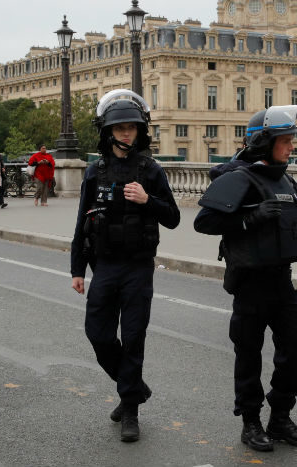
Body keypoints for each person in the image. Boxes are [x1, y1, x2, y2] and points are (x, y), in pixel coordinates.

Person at [194, 105, 297, 452]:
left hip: (282, 281)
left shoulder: (287, 179)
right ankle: (251, 422)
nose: (292, 146)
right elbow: (204, 223)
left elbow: (296, 213)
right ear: (264, 142)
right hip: (250, 283)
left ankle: (280, 419)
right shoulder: (239, 178)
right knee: (249, 355)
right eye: (285, 140)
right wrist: (249, 220)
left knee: (294, 352)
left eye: (292, 139)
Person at [69, 90, 180, 443]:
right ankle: (134, 388)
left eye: (131, 127)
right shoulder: (95, 172)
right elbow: (81, 223)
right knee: (98, 334)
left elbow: (174, 218)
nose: (126, 133)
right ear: (108, 132)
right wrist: (77, 269)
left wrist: (148, 201)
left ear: (140, 130)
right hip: (104, 266)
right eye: (120, 128)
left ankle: (129, 409)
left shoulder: (151, 170)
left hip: (138, 267)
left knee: (133, 338)